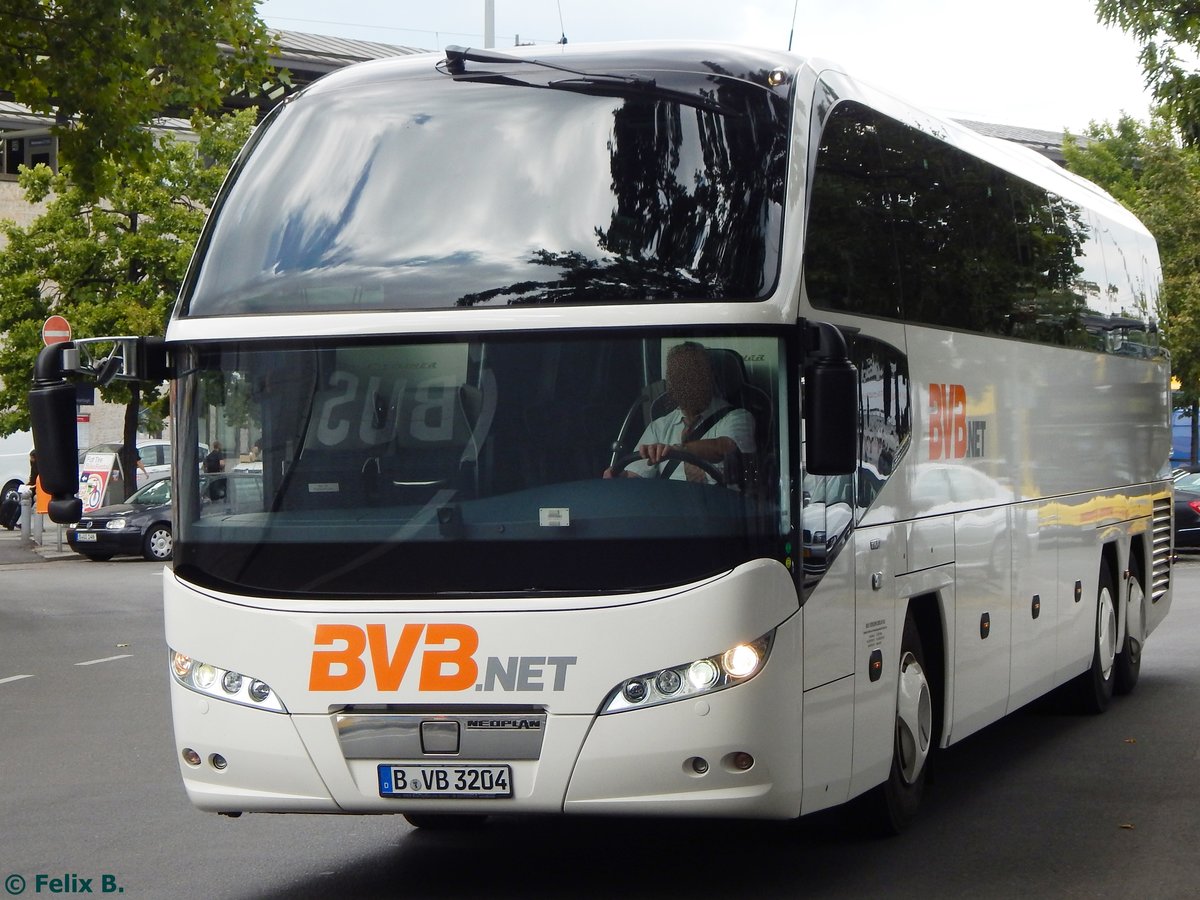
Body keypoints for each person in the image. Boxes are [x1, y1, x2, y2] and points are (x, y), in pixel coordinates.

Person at [604, 341, 755, 484]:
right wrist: (620, 477)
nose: (687, 383)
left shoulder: (737, 417)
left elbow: (726, 447)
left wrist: (678, 450)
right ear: (671, 382)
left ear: (709, 376)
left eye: (694, 375)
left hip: (717, 504)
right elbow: (636, 475)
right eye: (680, 377)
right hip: (670, 505)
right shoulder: (659, 427)